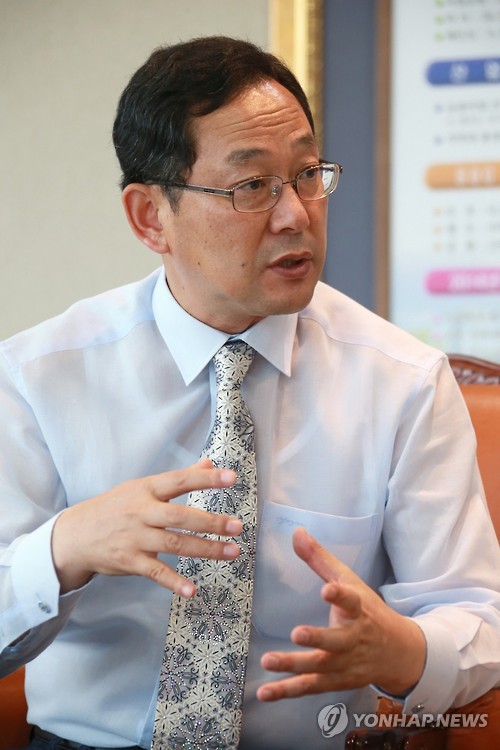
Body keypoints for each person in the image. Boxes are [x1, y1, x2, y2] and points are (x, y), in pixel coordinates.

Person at [0, 35, 499, 750]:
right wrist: (63, 548)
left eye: (307, 175)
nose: (295, 214)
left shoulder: (403, 382)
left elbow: (476, 617)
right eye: (252, 186)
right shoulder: (38, 376)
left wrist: (403, 652)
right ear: (150, 217)